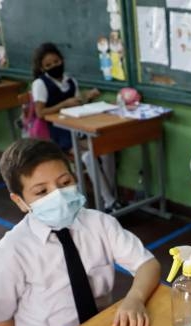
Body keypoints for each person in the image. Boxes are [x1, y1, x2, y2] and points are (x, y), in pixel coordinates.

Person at [0, 139, 161, 326]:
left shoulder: (99, 223)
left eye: (65, 182)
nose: (58, 195)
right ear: (20, 201)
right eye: (41, 191)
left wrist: (135, 298)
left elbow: (148, 265)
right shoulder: (11, 252)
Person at [29, 42, 120, 212]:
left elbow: (77, 104)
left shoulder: (70, 80)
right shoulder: (40, 84)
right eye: (48, 65)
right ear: (42, 68)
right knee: (88, 156)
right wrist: (64, 104)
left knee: (107, 150)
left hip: (78, 127)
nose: (54, 66)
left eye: (56, 62)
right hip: (57, 132)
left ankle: (111, 195)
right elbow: (41, 112)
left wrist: (87, 98)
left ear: (62, 60)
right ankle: (109, 201)